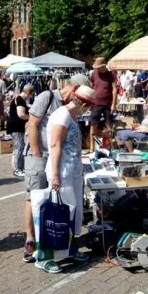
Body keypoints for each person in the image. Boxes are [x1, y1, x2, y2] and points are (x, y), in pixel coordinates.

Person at [22, 74, 90, 263]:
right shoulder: (47, 97)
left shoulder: (69, 110)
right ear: (75, 87)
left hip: (57, 158)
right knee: (35, 197)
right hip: (40, 155)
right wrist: (37, 152)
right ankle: (31, 240)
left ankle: (52, 241)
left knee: (53, 200)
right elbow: (32, 124)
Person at [36, 85, 97, 274]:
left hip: (72, 171)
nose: (89, 111)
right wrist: (55, 174)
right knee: (54, 215)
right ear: (84, 104)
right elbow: (55, 144)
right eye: (89, 107)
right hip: (61, 172)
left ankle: (70, 249)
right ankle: (44, 256)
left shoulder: (72, 116)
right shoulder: (62, 115)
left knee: (72, 213)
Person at [7, 84, 34, 177]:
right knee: (19, 147)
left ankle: (19, 167)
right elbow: (21, 114)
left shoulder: (19, 99)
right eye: (31, 95)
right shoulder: (19, 99)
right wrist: (31, 117)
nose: (30, 97)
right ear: (27, 92)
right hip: (16, 126)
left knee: (19, 147)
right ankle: (17, 169)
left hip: (16, 126)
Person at [89, 57, 117, 142]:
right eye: (97, 67)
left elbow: (114, 89)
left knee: (108, 124)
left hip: (107, 103)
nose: (98, 69)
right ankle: (91, 147)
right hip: (96, 103)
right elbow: (91, 87)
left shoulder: (111, 74)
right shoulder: (94, 73)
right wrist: (90, 101)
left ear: (104, 66)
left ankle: (109, 144)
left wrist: (113, 104)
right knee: (93, 123)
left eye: (99, 67)